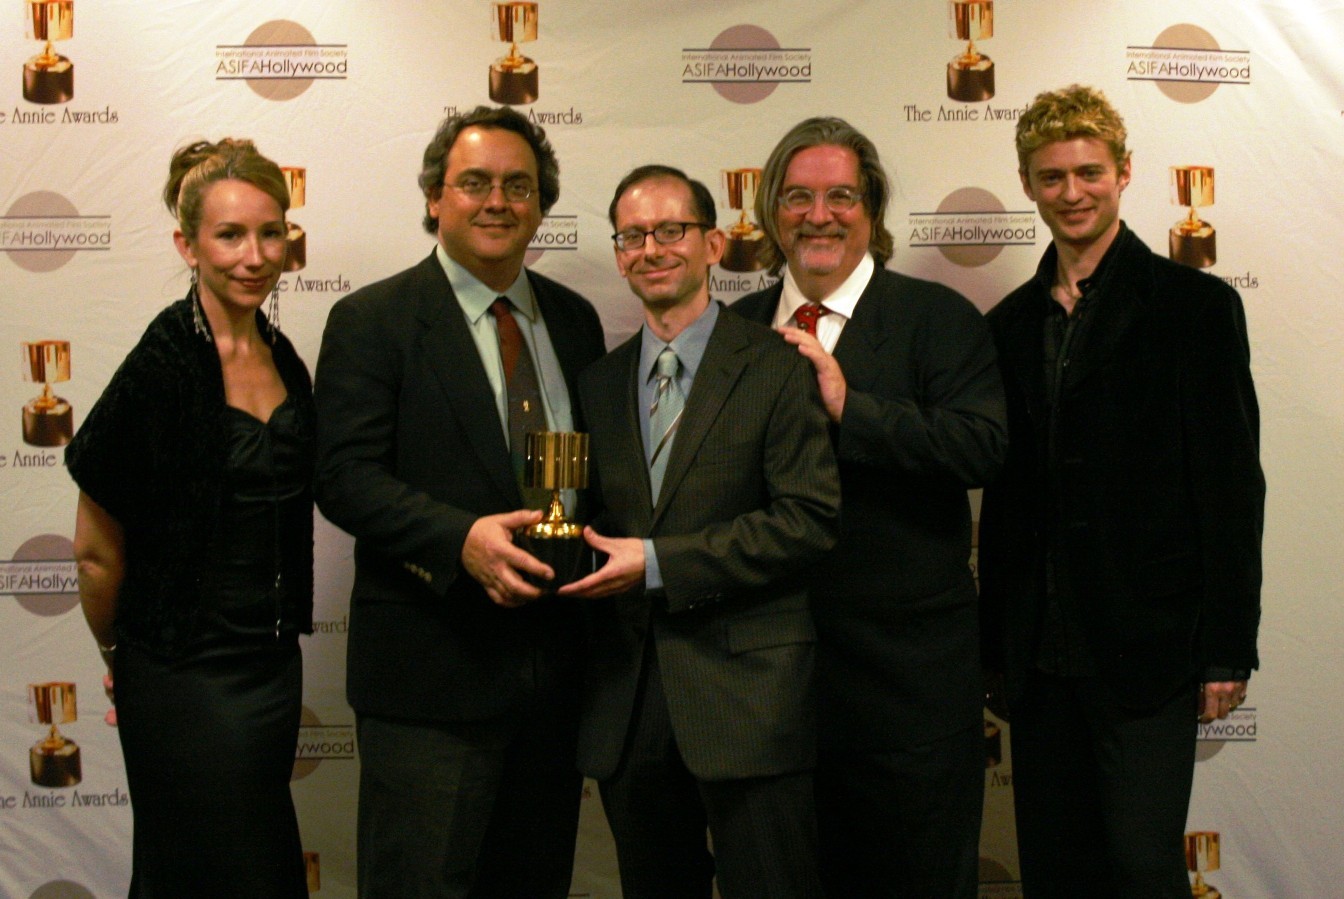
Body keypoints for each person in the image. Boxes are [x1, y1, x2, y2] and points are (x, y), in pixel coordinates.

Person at [978, 84, 1265, 897]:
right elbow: (1002, 503)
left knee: (1142, 868)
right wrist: (993, 646)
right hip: (1037, 659)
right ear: (1030, 185)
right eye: (1053, 177)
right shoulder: (1005, 324)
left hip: (1150, 652)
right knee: (1057, 874)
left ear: (1125, 173)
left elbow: (1232, 488)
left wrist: (1227, 643)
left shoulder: (1196, 309)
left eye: (1089, 172)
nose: (1073, 193)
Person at [312, 105, 605, 899]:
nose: (497, 200)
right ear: (436, 199)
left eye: (518, 184)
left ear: (541, 204)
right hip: (430, 680)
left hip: (554, 682)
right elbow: (342, 474)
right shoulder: (372, 319)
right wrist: (458, 540)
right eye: (473, 182)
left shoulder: (574, 321)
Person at [731, 118, 1007, 898]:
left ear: (872, 212)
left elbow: (981, 446)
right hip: (769, 697)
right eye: (798, 197)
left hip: (908, 699)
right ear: (770, 211)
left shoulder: (938, 318)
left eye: (841, 196)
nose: (819, 215)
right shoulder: (736, 329)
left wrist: (854, 406)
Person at [557, 165, 840, 899]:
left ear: (714, 244)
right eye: (632, 235)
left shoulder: (778, 364)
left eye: (671, 231)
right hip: (631, 704)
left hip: (751, 700)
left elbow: (807, 519)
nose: (651, 249)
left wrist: (658, 563)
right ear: (619, 252)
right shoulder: (597, 382)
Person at [67, 137, 313, 897]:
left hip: (270, 668)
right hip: (182, 676)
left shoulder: (283, 352)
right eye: (230, 234)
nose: (254, 254)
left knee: (261, 868)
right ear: (188, 244)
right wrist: (125, 659)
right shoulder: (161, 363)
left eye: (270, 232)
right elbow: (96, 554)